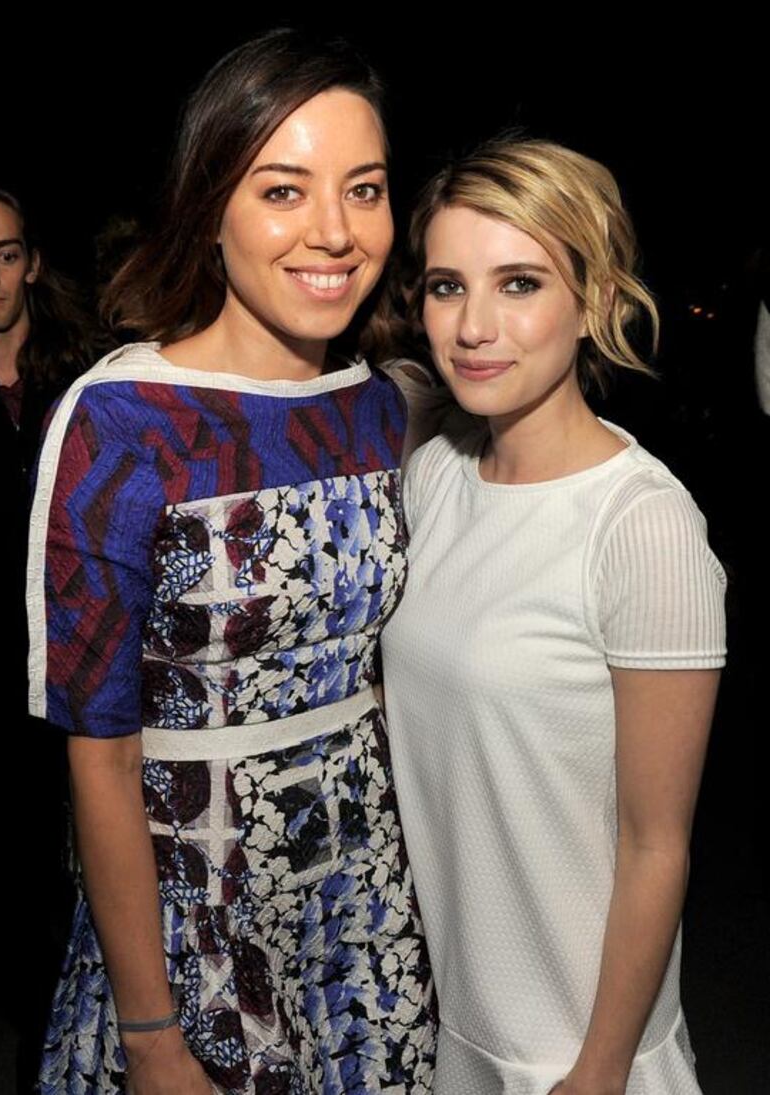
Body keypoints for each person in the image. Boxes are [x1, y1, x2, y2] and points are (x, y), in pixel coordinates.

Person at [27, 29, 435, 1095]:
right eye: (283, 191)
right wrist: (153, 1034)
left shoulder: (376, 408)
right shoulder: (121, 421)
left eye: (364, 188)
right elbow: (101, 759)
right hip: (196, 907)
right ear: (210, 204)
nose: (336, 233)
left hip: (363, 903)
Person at [381, 138, 726, 1094]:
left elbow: (658, 843)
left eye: (520, 282)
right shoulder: (435, 474)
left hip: (574, 1049)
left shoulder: (642, 526)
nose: (474, 326)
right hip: (456, 1024)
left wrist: (599, 1069)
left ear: (595, 302)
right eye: (447, 286)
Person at [0, 185, 98, 1092]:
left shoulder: (89, 378)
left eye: (5, 253)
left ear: (33, 262)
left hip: (87, 679)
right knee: (12, 904)